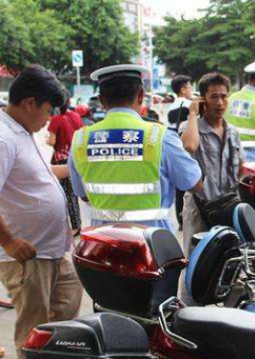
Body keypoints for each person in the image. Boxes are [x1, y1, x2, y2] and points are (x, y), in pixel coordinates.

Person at [0, 65, 83, 359]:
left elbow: (41, 177)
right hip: (27, 253)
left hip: (54, 249)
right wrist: (9, 242)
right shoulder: (3, 137)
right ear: (30, 102)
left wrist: (79, 166)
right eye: (48, 111)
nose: (49, 120)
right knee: (33, 328)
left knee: (64, 318)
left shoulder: (21, 132)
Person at [69, 64, 203, 233]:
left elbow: (82, 195)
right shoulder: (161, 137)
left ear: (101, 100)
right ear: (140, 96)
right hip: (153, 245)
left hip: (102, 245)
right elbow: (194, 184)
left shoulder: (80, 140)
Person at [179, 72, 244, 252]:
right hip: (200, 210)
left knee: (228, 261)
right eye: (214, 97)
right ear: (203, 100)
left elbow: (241, 167)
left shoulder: (232, 132)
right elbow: (190, 146)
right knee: (196, 262)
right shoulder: (190, 127)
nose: (220, 103)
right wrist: (192, 113)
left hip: (227, 207)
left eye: (223, 96)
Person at [47, 92, 83, 235]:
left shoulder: (56, 119)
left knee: (63, 195)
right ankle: (76, 224)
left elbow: (52, 141)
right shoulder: (75, 116)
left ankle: (73, 227)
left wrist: (45, 139)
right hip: (75, 157)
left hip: (61, 159)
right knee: (72, 194)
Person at [167, 75, 193, 230]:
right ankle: (189, 217)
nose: (191, 90)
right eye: (189, 87)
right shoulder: (189, 106)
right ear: (183, 90)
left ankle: (181, 218)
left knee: (178, 188)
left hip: (174, 148)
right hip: (187, 149)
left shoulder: (171, 107)